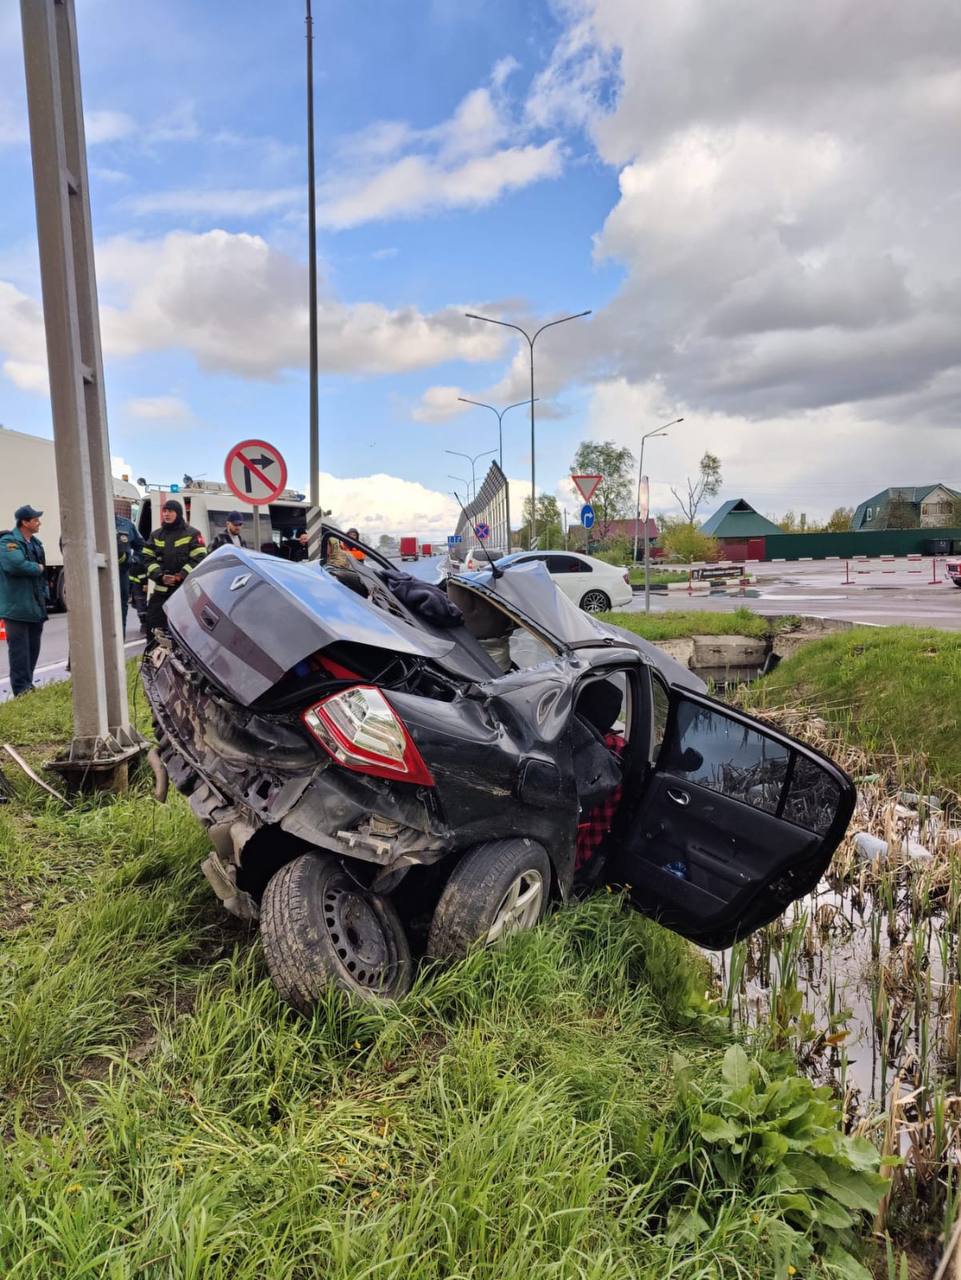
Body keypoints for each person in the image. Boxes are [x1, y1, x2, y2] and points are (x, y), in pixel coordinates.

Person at [142, 499, 206, 646]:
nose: (166, 514)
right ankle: (152, 662)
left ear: (178, 513)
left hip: (183, 593)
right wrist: (160, 576)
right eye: (164, 511)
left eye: (170, 511)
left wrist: (181, 575)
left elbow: (199, 557)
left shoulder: (192, 534)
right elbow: (147, 558)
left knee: (184, 632)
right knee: (154, 630)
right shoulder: (156, 535)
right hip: (160, 594)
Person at [0, 505, 48, 695]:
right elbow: (15, 565)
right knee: (19, 652)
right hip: (16, 607)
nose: (39, 523)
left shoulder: (35, 543)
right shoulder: (9, 542)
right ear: (25, 522)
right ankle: (21, 690)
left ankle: (28, 686)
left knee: (33, 649)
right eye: (35, 520)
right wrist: (37, 568)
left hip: (35, 606)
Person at [114, 511, 144, 636]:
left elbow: (142, 547)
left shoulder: (126, 525)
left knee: (119, 614)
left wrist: (133, 560)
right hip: (94, 579)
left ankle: (119, 647)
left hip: (121, 577)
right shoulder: (86, 521)